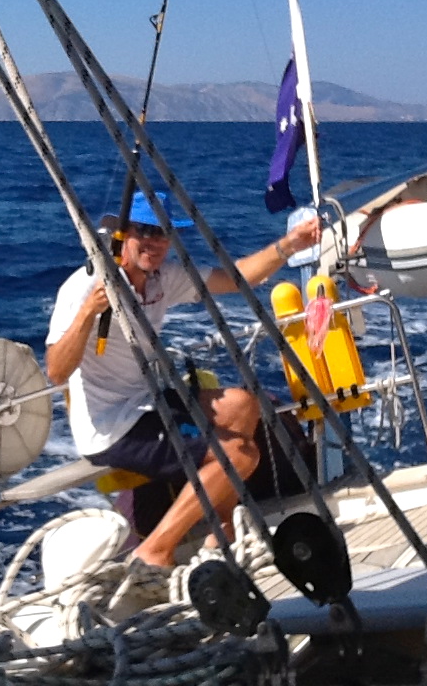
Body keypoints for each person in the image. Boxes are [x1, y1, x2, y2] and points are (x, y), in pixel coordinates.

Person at [45, 190, 321, 569]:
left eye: (163, 233)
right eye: (145, 231)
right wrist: (88, 313)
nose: (155, 241)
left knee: (243, 404)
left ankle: (221, 530)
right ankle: (154, 550)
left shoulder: (163, 279)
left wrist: (290, 245)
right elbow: (57, 370)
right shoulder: (83, 288)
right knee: (240, 455)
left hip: (148, 403)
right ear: (123, 235)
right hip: (111, 427)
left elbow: (237, 278)